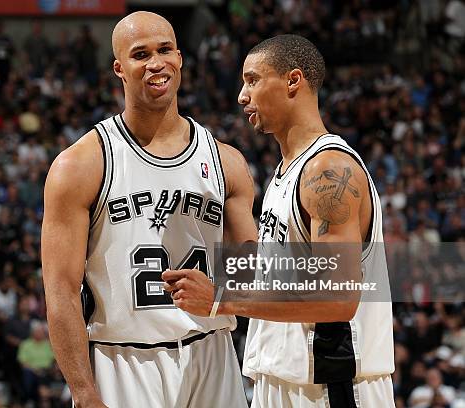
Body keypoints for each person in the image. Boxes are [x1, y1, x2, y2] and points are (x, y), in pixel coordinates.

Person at [163, 35, 395, 407]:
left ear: (293, 80)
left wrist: (220, 299)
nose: (242, 96)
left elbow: (337, 299)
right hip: (282, 378)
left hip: (331, 386)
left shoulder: (329, 169)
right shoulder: (288, 171)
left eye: (253, 80)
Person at [41, 11, 256, 408]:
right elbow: (61, 291)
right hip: (123, 358)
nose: (156, 62)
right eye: (141, 54)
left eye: (165, 50)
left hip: (212, 352)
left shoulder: (227, 161)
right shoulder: (81, 165)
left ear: (180, 58)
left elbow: (253, 273)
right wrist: (84, 393)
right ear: (119, 68)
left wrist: (221, 295)